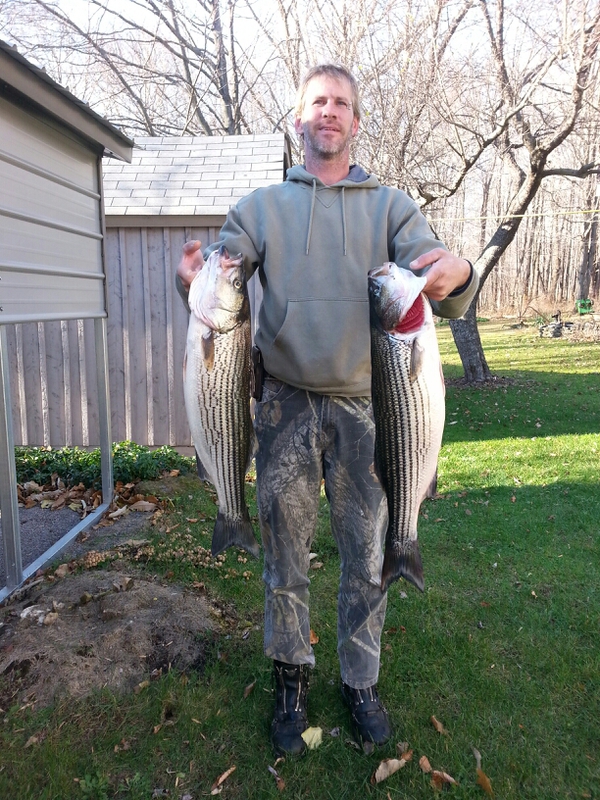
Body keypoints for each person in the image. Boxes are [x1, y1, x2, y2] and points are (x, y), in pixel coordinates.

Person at [176, 64, 478, 756]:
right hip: (282, 403)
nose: (329, 113)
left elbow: (434, 271)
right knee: (284, 553)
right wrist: (190, 275)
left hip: (371, 405)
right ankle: (290, 675)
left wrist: (454, 271)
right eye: (317, 102)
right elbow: (219, 281)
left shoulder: (391, 207)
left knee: (368, 554)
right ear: (298, 119)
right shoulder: (260, 208)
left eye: (341, 103)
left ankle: (360, 681)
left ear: (356, 121)